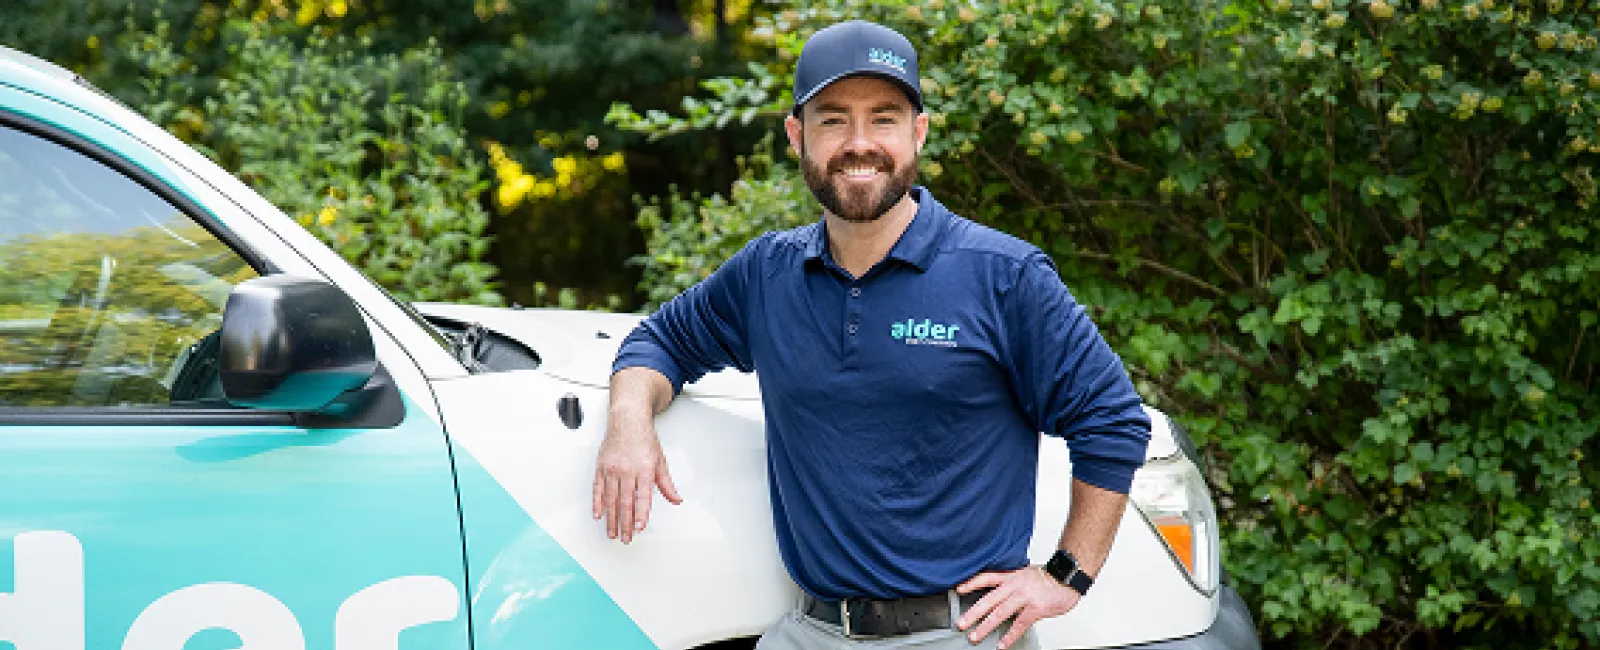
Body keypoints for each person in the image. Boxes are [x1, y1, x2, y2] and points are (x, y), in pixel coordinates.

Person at [593, 19, 1152, 650]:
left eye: (883, 118)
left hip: (957, 635)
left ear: (918, 132)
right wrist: (629, 422)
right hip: (809, 630)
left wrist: (1065, 576)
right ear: (796, 136)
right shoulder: (767, 274)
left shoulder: (1004, 276)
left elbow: (1112, 420)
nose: (859, 143)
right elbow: (658, 342)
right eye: (833, 119)